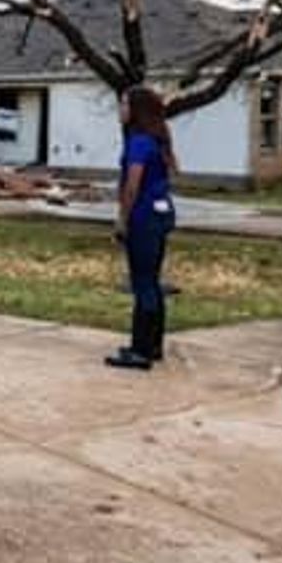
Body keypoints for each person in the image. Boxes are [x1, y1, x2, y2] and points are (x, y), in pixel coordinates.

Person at [106, 84, 178, 371]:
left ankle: (140, 350)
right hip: (162, 212)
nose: (120, 110)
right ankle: (154, 345)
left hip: (143, 216)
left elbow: (133, 181)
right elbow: (174, 171)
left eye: (124, 104)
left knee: (143, 282)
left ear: (136, 110)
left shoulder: (138, 141)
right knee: (153, 279)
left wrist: (123, 217)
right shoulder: (159, 140)